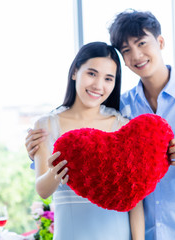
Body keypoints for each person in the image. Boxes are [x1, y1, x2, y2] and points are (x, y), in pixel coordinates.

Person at [26, 10, 175, 240]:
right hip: (148, 233)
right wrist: (39, 150)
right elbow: (90, 150)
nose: (136, 55)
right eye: (126, 50)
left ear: (161, 42)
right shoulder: (123, 108)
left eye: (142, 43)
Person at [31, 41, 144, 240]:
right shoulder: (46, 125)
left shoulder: (123, 126)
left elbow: (135, 200)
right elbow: (42, 190)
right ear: (75, 72)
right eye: (91, 73)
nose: (98, 85)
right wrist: (55, 171)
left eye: (108, 79)